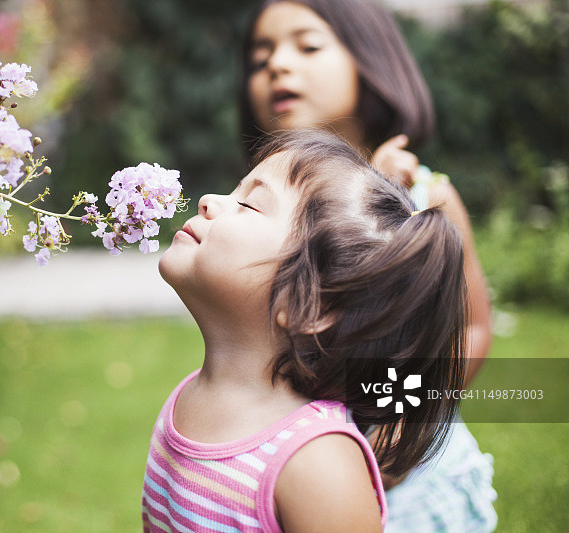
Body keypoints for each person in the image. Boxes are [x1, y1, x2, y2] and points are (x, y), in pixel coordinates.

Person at [238, 2, 497, 531]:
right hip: (293, 469)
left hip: (406, 479)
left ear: (371, 63)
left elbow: (471, 326)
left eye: (307, 46)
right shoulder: (269, 210)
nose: (277, 66)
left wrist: (406, 416)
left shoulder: (424, 198)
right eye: (260, 56)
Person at [142, 130, 467, 532]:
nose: (209, 201)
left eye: (248, 204)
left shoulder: (317, 463)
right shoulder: (188, 399)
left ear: (311, 304)